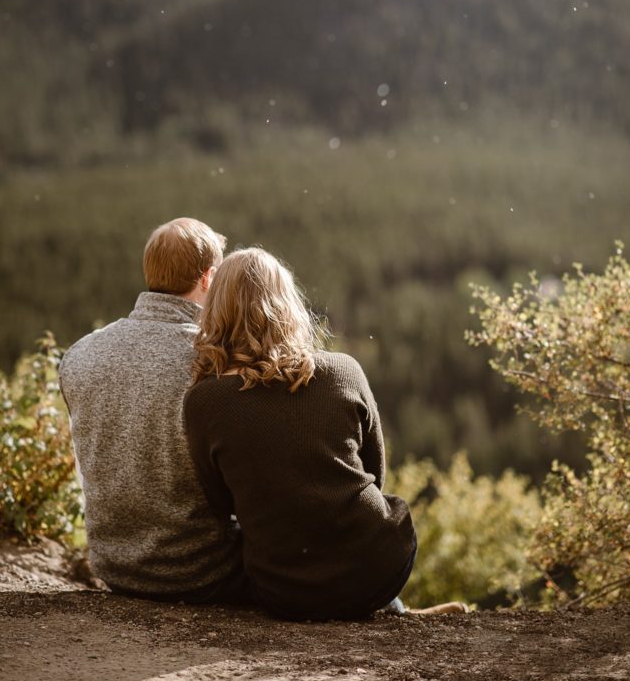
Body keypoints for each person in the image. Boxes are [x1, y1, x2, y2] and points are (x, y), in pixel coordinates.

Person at [183, 247, 418, 621]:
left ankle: (394, 609)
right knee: (386, 512)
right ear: (288, 304)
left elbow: (220, 504)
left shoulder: (203, 402)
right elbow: (375, 472)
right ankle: (396, 609)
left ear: (216, 310)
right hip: (379, 565)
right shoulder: (343, 370)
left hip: (284, 590)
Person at [59, 217, 245, 601]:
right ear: (209, 279)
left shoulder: (80, 353)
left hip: (115, 567)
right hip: (202, 569)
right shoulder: (217, 360)